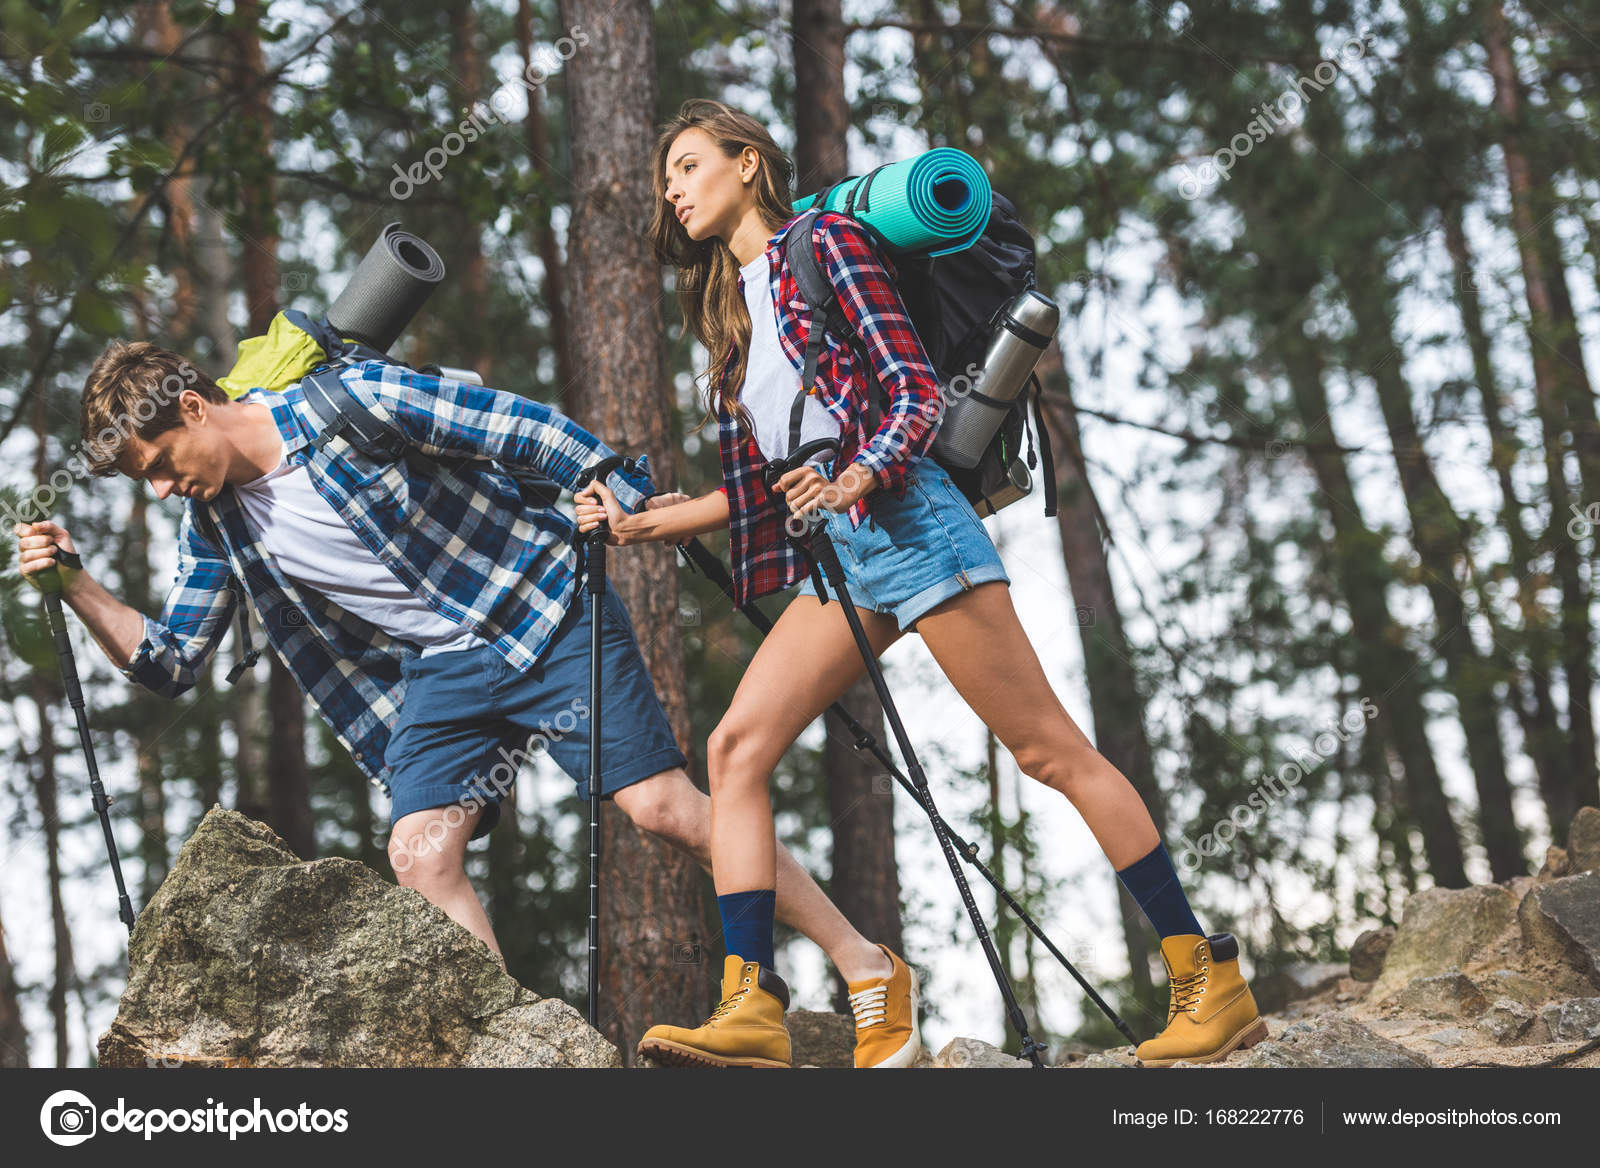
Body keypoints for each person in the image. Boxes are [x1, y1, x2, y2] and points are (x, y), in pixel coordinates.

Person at [575, 98, 1268, 1068]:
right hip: (849, 555)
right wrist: (639, 522)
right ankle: (753, 1003)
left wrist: (858, 473)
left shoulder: (828, 245)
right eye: (665, 180)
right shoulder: (733, 321)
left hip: (912, 520)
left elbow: (910, 389)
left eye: (688, 166)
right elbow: (757, 491)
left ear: (746, 163)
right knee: (735, 749)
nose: (673, 191)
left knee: (1046, 750)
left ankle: (1208, 974)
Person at [13, 340, 922, 1067]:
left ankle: (864, 963)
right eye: (148, 483)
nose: (166, 489)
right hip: (441, 673)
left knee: (664, 810)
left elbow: (514, 429)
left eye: (161, 464)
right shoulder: (212, 524)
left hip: (542, 606)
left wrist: (617, 484)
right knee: (420, 854)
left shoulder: (345, 404)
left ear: (193, 408)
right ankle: (513, 1053)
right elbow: (170, 659)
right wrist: (76, 584)